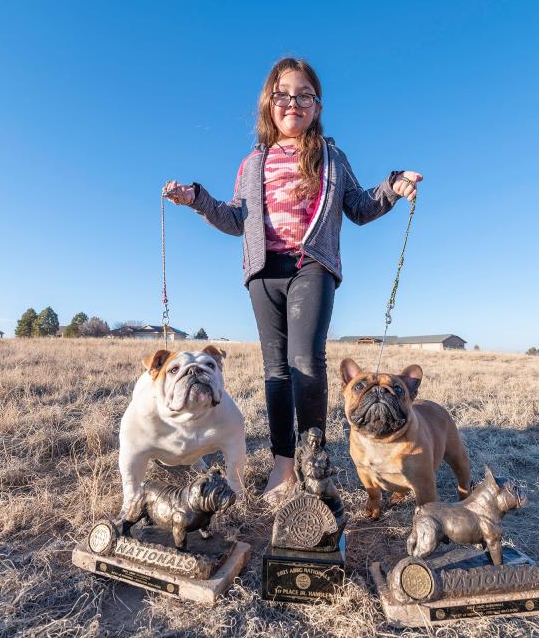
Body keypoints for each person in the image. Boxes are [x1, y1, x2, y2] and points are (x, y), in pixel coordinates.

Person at [162, 57, 421, 502]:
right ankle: (284, 465)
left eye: (305, 96)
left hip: (312, 264)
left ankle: (313, 461)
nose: (293, 103)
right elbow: (234, 218)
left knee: (306, 362)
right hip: (264, 270)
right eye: (283, 95)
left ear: (317, 106)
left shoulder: (332, 157)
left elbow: (358, 207)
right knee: (276, 368)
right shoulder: (252, 163)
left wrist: (392, 186)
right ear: (269, 104)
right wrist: (196, 199)